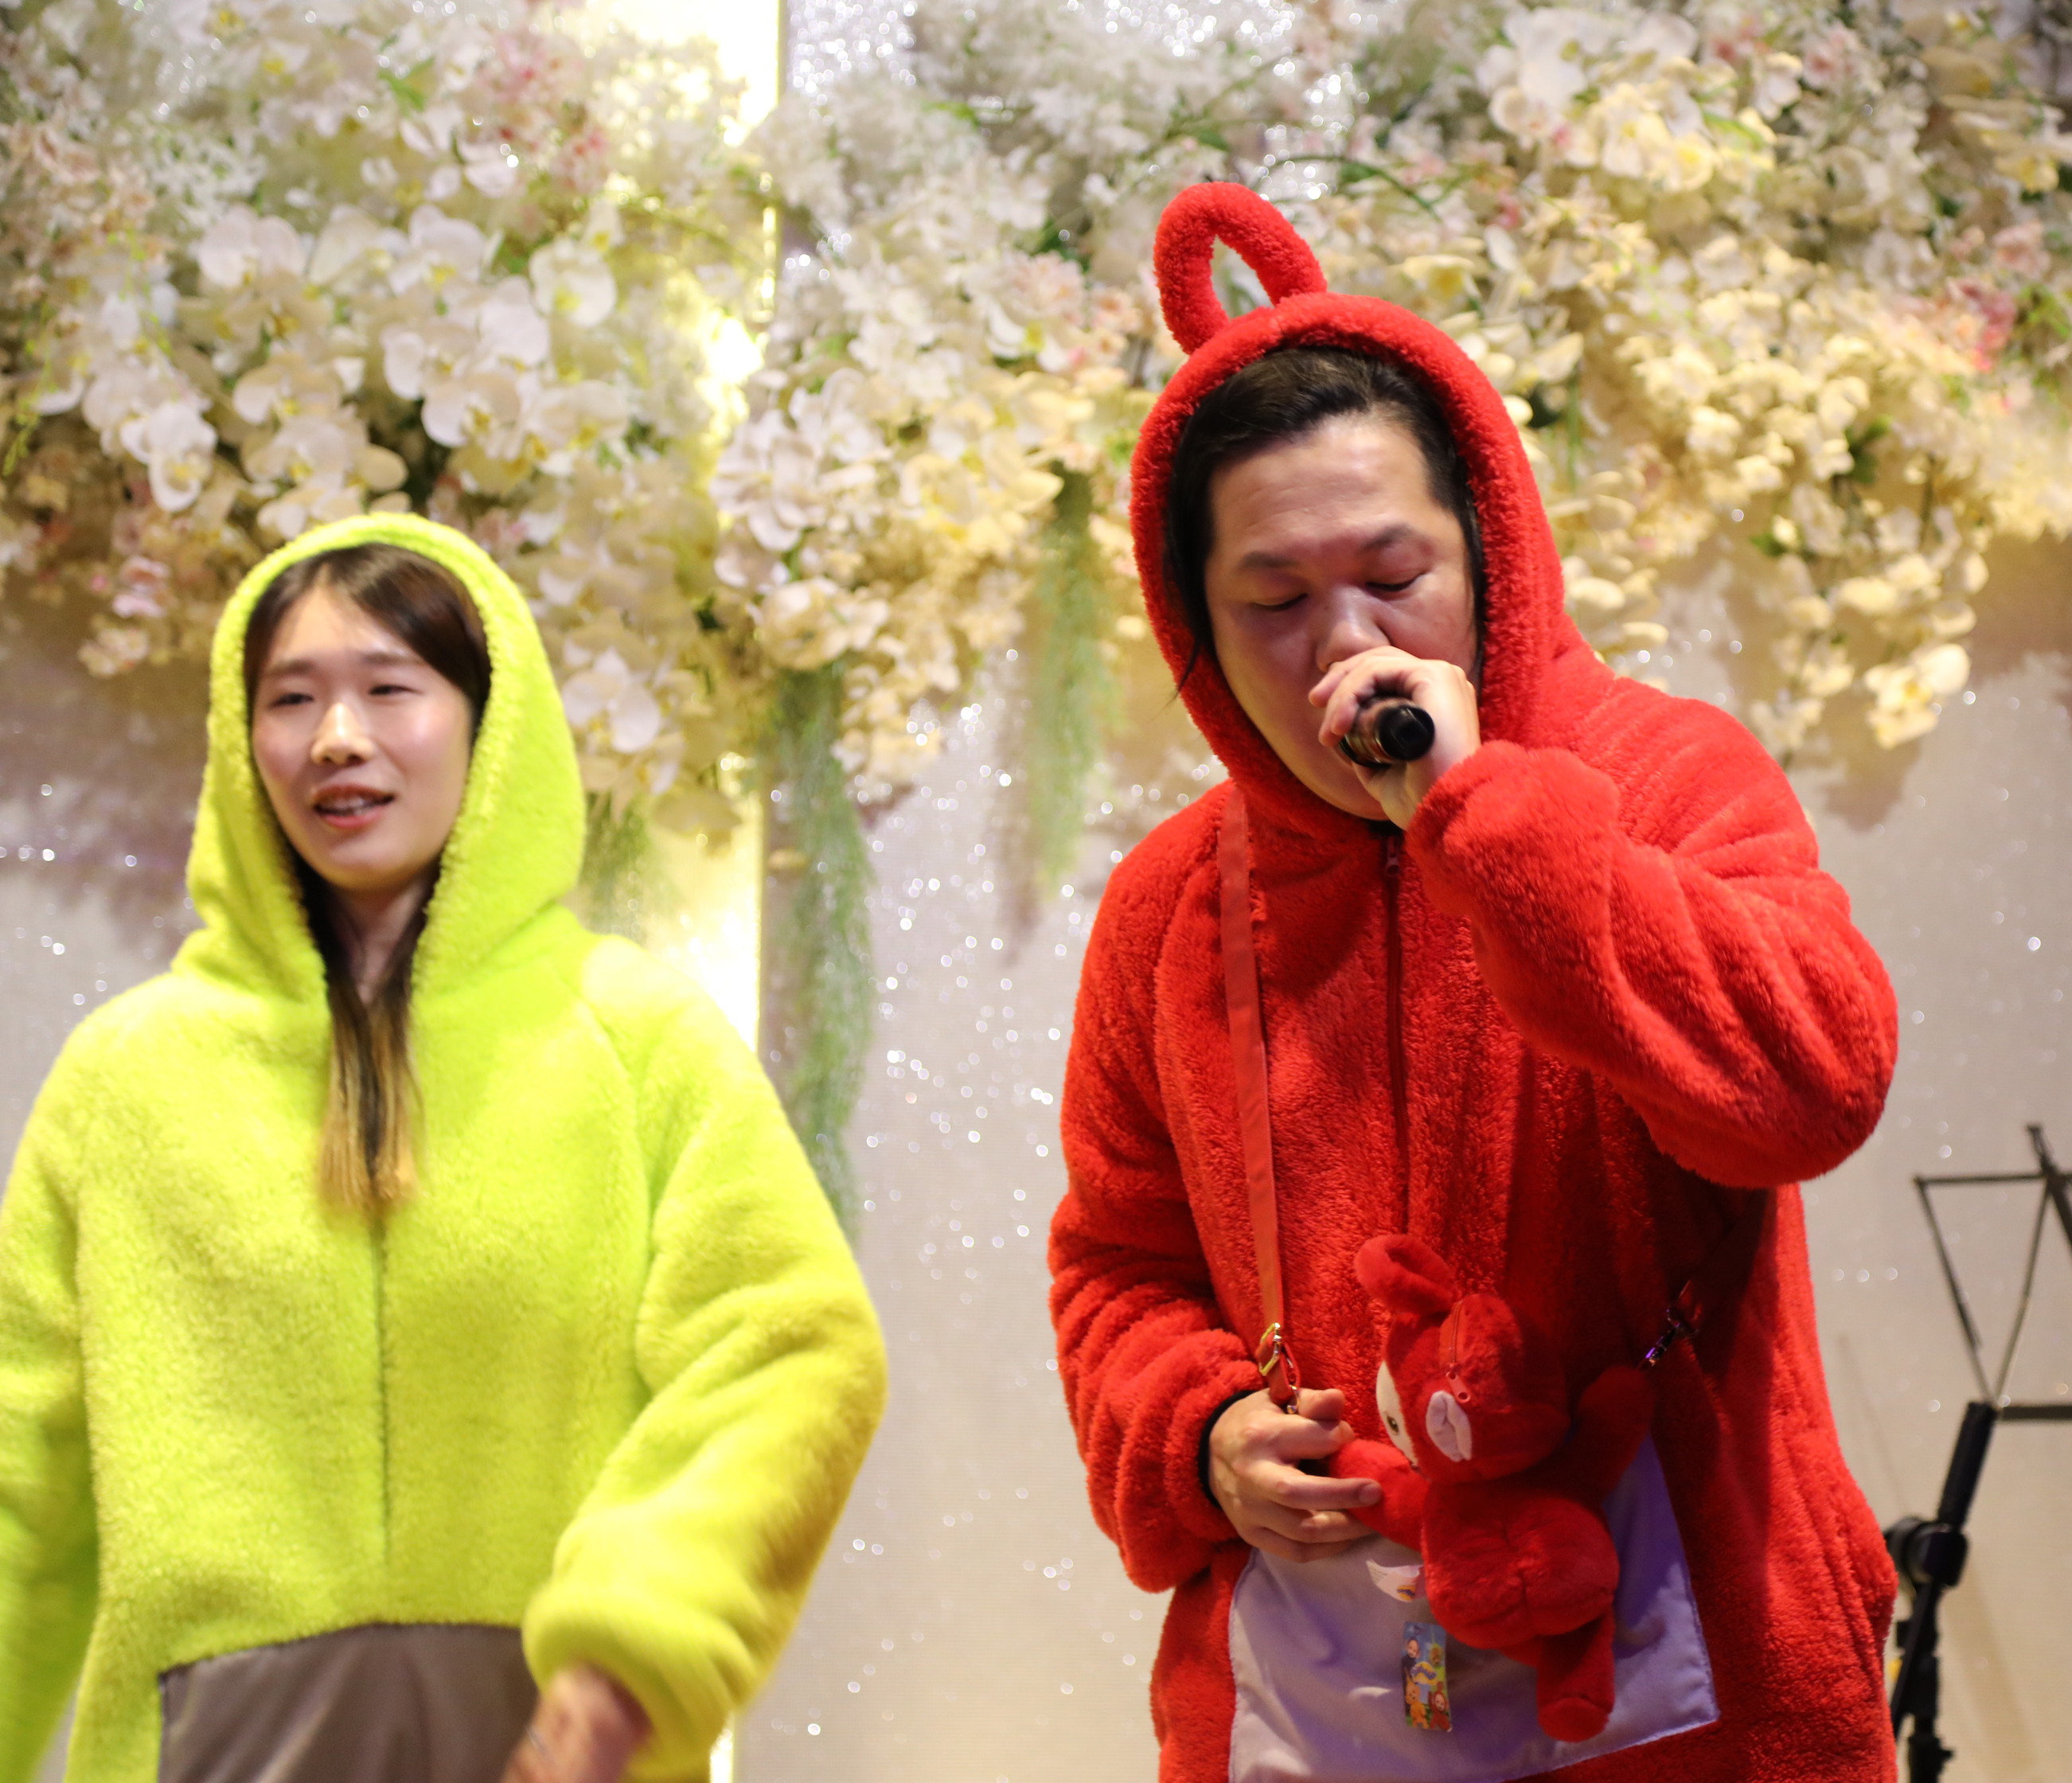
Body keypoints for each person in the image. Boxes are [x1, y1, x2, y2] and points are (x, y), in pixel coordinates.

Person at [1049, 185, 1902, 1781]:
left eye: (1395, 573)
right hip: (1314, 1683)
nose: (1344, 644)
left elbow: (1814, 1086)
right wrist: (1199, 1433)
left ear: (1489, 549)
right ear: (1194, 626)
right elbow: (1117, 1261)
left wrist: (1484, 819)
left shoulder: (1662, 776)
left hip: (1691, 1655)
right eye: (1274, 601)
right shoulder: (1172, 905)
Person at [0, 514, 888, 1782]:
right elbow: (19, 1475)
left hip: (552, 1745)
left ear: (489, 723)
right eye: (291, 698)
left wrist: (637, 1644)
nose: (336, 738)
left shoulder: (636, 1038)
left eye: (388, 689)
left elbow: (792, 1347)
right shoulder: (125, 1078)